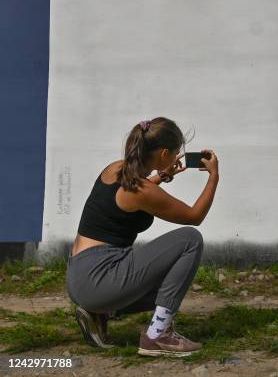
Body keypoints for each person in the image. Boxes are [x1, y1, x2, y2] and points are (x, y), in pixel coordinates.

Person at [65, 116, 219, 357]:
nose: (178, 155)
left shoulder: (114, 169)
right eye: (177, 152)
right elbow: (194, 216)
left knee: (172, 285)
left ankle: (100, 311)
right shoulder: (141, 190)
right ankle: (158, 335)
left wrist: (162, 177)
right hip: (98, 279)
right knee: (190, 239)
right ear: (164, 154)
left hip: (80, 277)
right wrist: (213, 177)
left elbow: (130, 195)